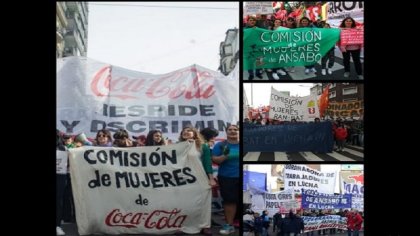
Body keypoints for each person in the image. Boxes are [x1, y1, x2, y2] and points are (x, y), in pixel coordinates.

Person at [212, 124, 240, 235]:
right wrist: (224, 155)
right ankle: (229, 225)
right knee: (229, 201)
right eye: (230, 129)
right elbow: (216, 160)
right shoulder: (220, 145)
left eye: (235, 129)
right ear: (226, 132)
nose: (232, 131)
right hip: (227, 177)